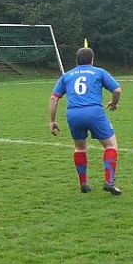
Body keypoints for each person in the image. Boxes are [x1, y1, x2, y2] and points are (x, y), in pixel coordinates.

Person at [49, 47, 123, 195]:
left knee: (80, 148)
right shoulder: (99, 72)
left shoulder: (67, 76)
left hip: (73, 114)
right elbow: (117, 90)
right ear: (92, 60)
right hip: (94, 112)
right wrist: (114, 103)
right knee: (111, 146)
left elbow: (54, 98)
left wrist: (52, 120)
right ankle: (109, 181)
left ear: (77, 61)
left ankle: (84, 184)